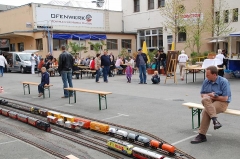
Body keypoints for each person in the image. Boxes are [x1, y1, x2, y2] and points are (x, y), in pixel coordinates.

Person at [191, 66, 231, 144]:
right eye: (206, 74)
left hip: (222, 102)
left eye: (208, 75)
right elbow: (202, 94)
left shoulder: (224, 81)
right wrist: (209, 95)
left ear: (215, 75)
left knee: (206, 111)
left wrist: (214, 96)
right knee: (205, 99)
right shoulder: (206, 81)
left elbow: (225, 98)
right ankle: (215, 121)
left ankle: (202, 135)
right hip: (209, 101)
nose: (206, 76)